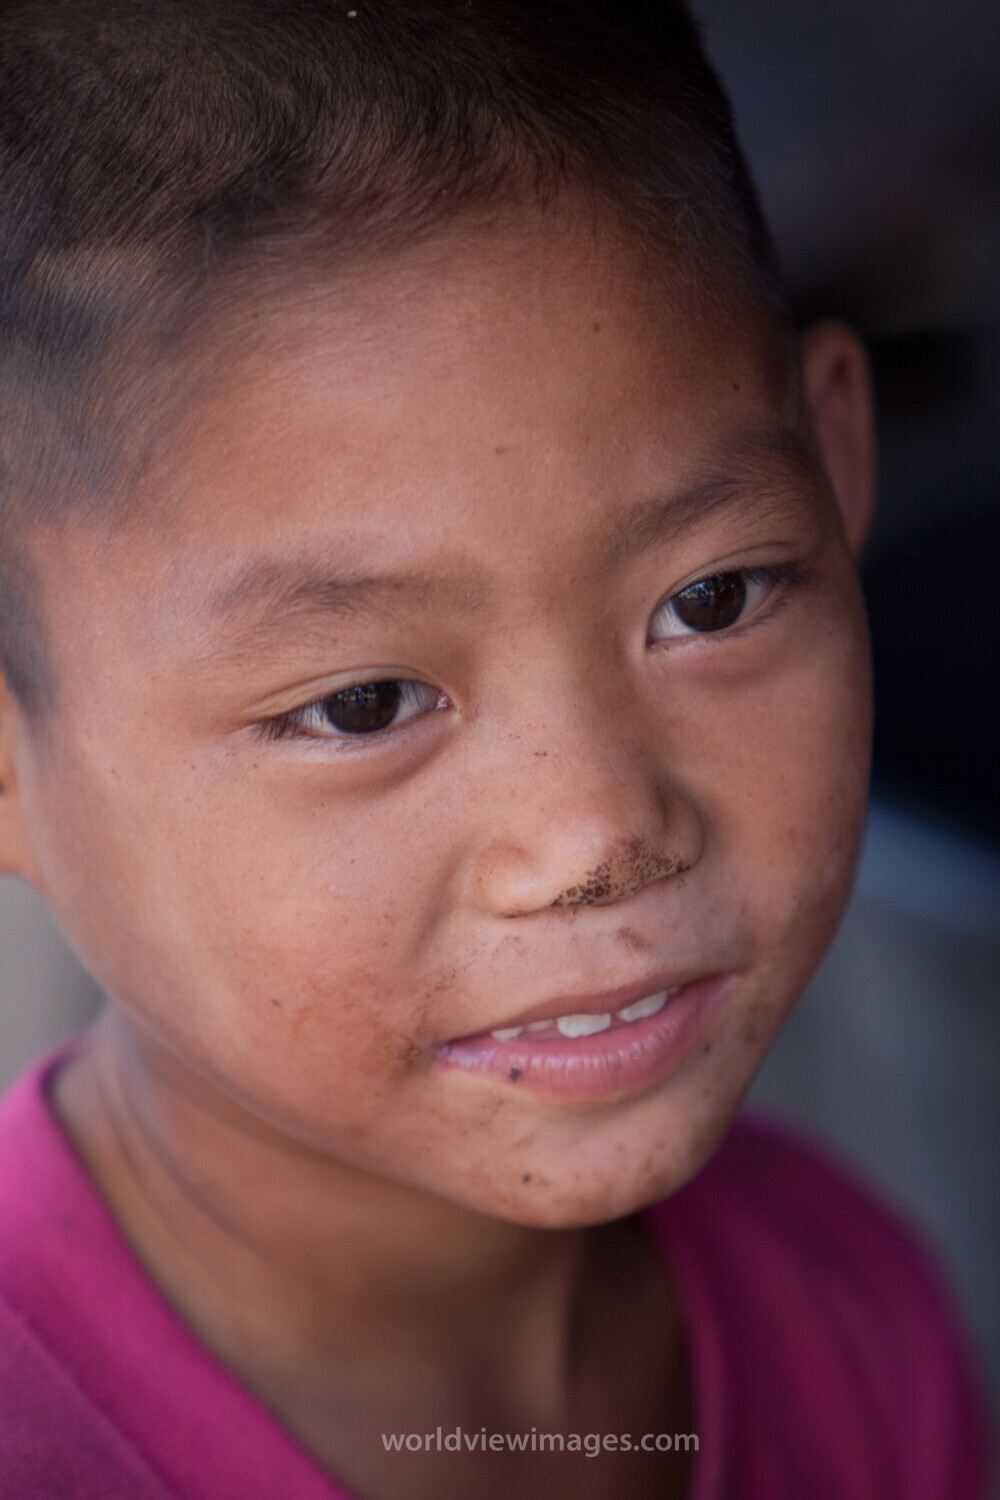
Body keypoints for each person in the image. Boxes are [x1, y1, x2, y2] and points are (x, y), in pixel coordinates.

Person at [0, 2, 988, 1496]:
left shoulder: (852, 1311)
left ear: (837, 475)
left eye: (708, 602)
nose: (596, 831)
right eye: (362, 706)